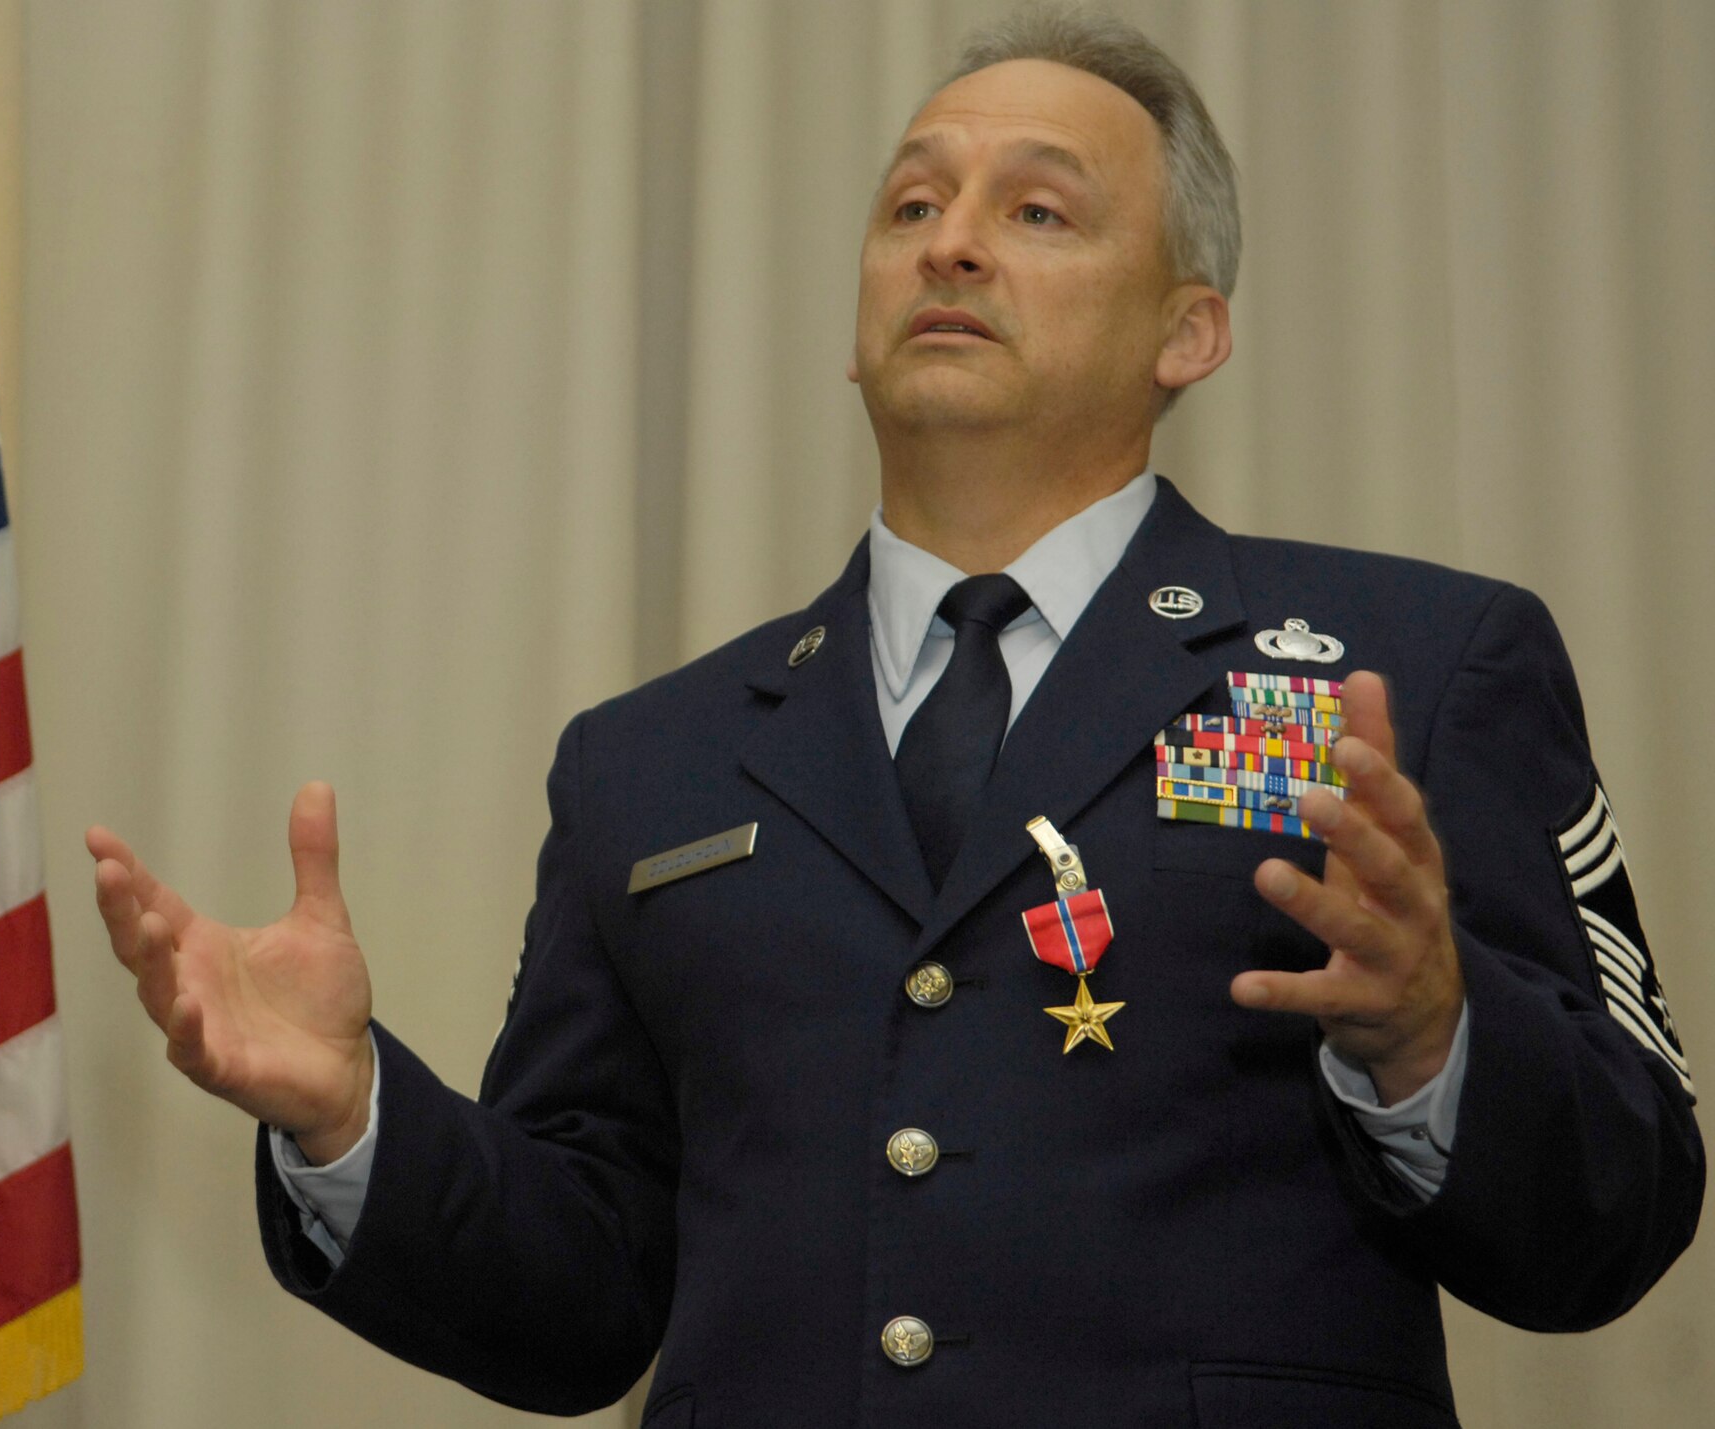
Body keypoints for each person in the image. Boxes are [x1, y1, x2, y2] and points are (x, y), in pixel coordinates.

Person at [87, 6, 1702, 1425]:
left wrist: (1437, 1036)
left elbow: (1625, 1203)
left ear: (1187, 331)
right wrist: (358, 1116)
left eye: (1039, 210)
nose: (951, 242)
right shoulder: (646, 758)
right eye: (913, 203)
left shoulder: (1410, 666)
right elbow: (586, 1295)